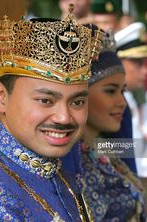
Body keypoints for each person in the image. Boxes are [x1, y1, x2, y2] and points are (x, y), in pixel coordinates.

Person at [0, 5, 103, 221]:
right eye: (45, 100)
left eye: (77, 102)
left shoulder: (56, 168)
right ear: (1, 97)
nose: (64, 117)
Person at [62, 37, 146, 221]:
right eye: (110, 91)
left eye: (123, 91)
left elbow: (136, 152)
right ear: (80, 95)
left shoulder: (101, 146)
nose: (122, 102)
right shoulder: (71, 162)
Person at [115, 22, 147, 178]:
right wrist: (140, 145)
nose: (145, 70)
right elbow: (95, 147)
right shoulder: (116, 100)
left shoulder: (131, 96)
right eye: (137, 63)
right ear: (119, 62)